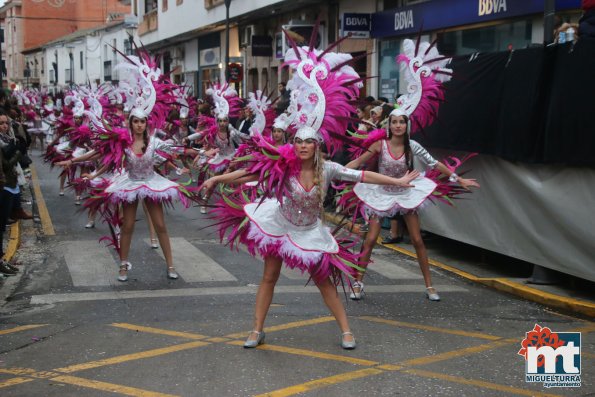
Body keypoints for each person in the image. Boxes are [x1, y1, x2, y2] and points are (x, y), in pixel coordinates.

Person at [204, 127, 419, 350]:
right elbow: (250, 175)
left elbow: (362, 175)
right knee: (269, 277)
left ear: (316, 146)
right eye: (298, 141)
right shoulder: (284, 167)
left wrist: (396, 182)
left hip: (310, 232)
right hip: (281, 227)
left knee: (324, 283)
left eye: (308, 142)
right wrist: (217, 178)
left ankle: (346, 331)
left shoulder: (329, 169)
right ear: (293, 145)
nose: (303, 146)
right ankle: (257, 329)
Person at [345, 38, 480, 302]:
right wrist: (332, 170)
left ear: (406, 125)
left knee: (418, 240)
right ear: (389, 124)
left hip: (406, 192)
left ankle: (430, 286)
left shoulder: (412, 145)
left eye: (401, 122)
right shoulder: (378, 145)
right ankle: (358, 283)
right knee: (370, 239)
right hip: (381, 194)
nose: (397, 126)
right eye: (394, 122)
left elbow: (434, 163)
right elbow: (356, 165)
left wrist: (457, 180)